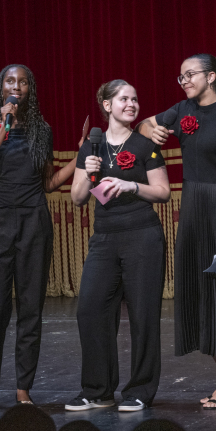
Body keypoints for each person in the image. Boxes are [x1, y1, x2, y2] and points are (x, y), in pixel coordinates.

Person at [139, 52, 216, 409]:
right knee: (204, 293)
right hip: (194, 209)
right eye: (181, 77)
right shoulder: (181, 111)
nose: (184, 81)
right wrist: (150, 128)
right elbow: (145, 124)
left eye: (190, 74)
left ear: (211, 77)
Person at [0, 65, 82, 412]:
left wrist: (79, 158)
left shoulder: (41, 130)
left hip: (33, 222)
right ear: (0, 88)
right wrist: (1, 129)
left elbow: (48, 182)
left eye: (22, 82)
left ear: (30, 90)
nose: (16, 86)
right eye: (10, 81)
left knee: (31, 309)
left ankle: (23, 390)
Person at [66, 80, 170, 413]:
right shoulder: (91, 147)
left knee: (142, 315)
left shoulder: (145, 146)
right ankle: (98, 390)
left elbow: (163, 192)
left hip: (142, 236)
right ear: (106, 105)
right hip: (104, 238)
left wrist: (131, 185)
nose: (132, 103)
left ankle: (140, 390)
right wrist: (88, 173)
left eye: (135, 99)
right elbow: (78, 198)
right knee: (91, 309)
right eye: (124, 98)